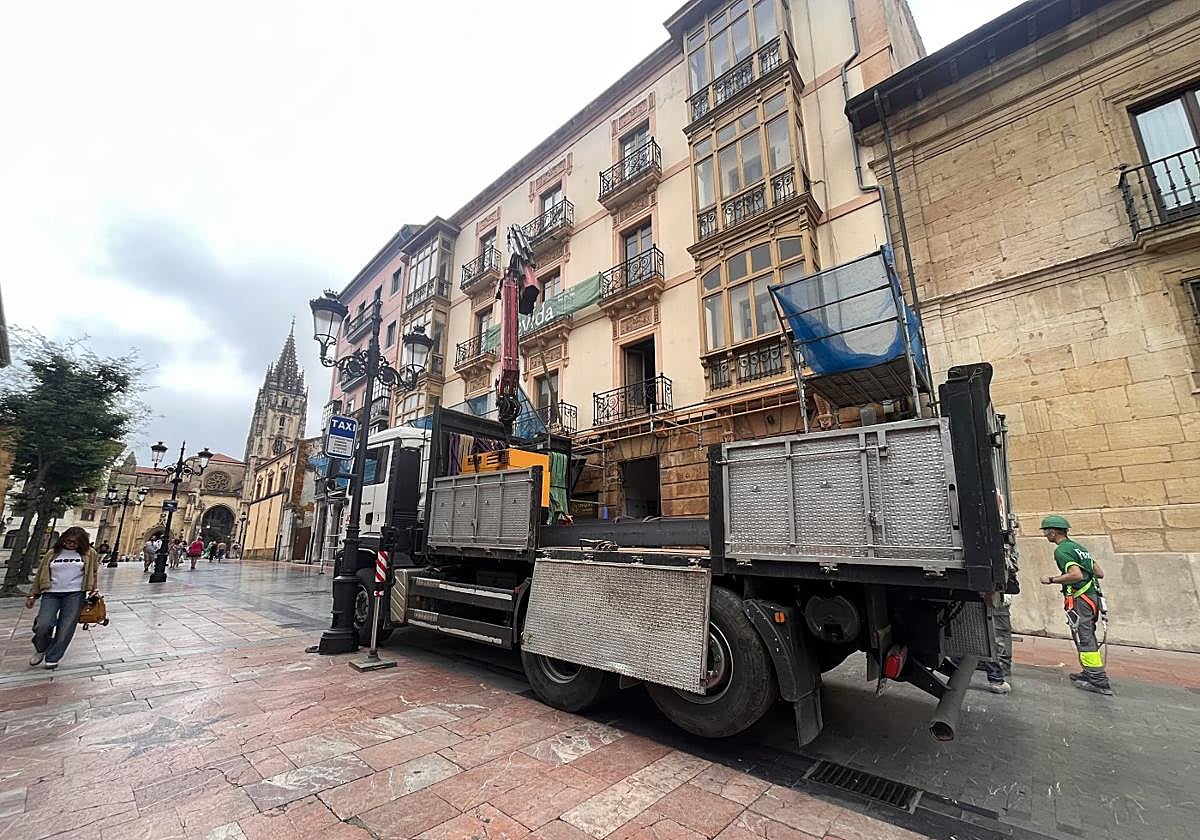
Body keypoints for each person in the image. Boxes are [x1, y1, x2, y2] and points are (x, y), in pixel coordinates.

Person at [1039, 514, 1113, 696]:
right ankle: (1089, 672)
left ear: (1053, 532)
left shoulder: (1062, 550)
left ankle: (1098, 679)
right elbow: (1099, 573)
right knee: (1087, 633)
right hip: (1092, 596)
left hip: (1080, 598)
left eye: (1046, 531)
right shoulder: (1079, 548)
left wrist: (1051, 579)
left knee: (1084, 635)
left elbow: (1076, 575)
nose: (1045, 535)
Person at [25, 526, 100, 669]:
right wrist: (32, 594)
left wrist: (93, 589)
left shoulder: (89, 554)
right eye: (68, 541)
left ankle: (53, 656)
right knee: (43, 624)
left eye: (75, 542)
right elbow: (41, 574)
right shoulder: (53, 553)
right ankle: (41, 648)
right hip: (51, 592)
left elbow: (94, 572)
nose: (70, 544)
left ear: (82, 542)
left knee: (65, 628)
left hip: (75, 594)